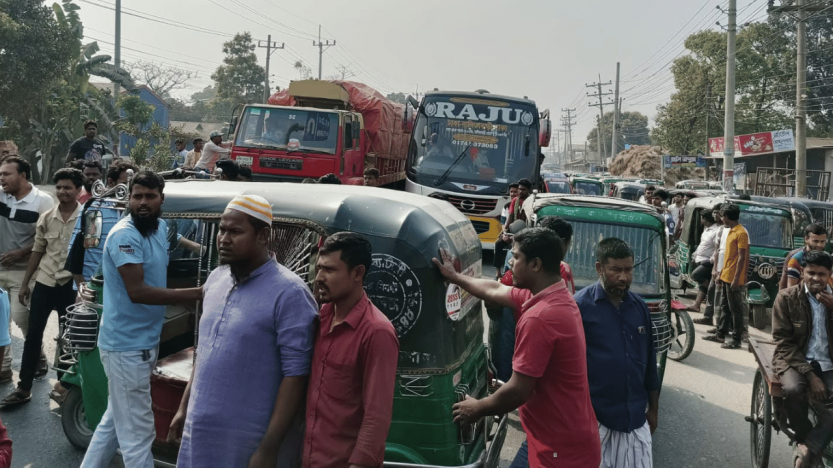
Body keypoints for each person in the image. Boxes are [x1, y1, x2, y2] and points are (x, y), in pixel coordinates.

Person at [170, 195, 317, 468]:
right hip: (199, 435)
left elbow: (296, 376)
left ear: (263, 236)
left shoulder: (291, 293)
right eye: (222, 230)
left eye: (235, 232)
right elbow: (204, 354)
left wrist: (269, 447)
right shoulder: (215, 279)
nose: (224, 239)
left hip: (249, 446)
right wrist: (183, 409)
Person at [436, 228, 601, 468]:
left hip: (560, 451)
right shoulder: (554, 295)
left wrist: (477, 408)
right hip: (556, 437)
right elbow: (495, 290)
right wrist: (455, 277)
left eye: (516, 256)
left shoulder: (541, 317)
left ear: (535, 264)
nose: (510, 262)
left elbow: (519, 390)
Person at [80, 171, 203, 468]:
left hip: (144, 342)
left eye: (150, 196)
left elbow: (175, 257)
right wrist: (200, 293)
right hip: (125, 347)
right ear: (130, 200)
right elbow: (137, 291)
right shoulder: (125, 235)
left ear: (162, 199)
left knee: (114, 420)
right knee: (138, 433)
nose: (143, 202)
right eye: (137, 197)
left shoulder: (159, 228)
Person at [303, 232, 399, 468]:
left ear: (358, 273)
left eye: (330, 270)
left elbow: (376, 416)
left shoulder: (376, 332)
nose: (319, 278)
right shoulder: (321, 317)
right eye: (319, 268)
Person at [573, 238, 659, 468]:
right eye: (616, 270)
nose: (624, 277)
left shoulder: (639, 307)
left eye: (629, 270)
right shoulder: (580, 307)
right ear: (599, 268)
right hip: (594, 420)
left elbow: (650, 362)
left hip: (635, 420)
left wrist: (654, 410)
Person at [1, 168, 82, 406]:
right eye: (58, 187)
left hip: (71, 285)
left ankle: (65, 386)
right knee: (33, 336)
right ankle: (23, 388)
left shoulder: (88, 217)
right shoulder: (47, 217)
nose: (62, 192)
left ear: (78, 190)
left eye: (67, 187)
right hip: (45, 282)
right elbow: (38, 250)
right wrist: (26, 283)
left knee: (70, 338)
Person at [772, 250, 833, 468]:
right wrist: (810, 375)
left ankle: (808, 447)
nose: (816, 278)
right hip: (793, 359)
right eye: (811, 273)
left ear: (829, 275)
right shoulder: (787, 297)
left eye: (822, 274)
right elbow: (783, 342)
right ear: (803, 272)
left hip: (828, 363)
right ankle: (805, 441)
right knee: (794, 390)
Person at [0, 156, 54, 382]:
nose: (1, 178)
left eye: (6, 174)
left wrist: (21, 252)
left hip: (25, 271)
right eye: (0, 174)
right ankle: (3, 366)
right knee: (2, 321)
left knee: (22, 318)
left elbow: (48, 236)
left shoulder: (43, 201)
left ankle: (38, 353)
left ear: (22, 176)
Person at [703, 203, 749, 349]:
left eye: (722, 216)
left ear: (728, 217)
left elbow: (742, 258)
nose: (721, 219)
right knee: (725, 306)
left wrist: (737, 279)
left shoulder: (741, 233)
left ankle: (736, 339)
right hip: (726, 274)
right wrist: (721, 271)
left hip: (733, 277)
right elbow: (728, 256)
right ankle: (720, 334)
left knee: (736, 309)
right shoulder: (730, 231)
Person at [694, 203, 727, 327]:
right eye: (713, 212)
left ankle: (722, 326)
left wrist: (711, 262)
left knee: (722, 297)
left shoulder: (726, 229)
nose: (715, 215)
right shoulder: (717, 228)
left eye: (717, 213)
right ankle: (708, 318)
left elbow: (719, 250)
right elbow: (717, 249)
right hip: (715, 266)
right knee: (712, 291)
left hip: (723, 266)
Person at [687, 210, 719, 312]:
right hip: (700, 259)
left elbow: (717, 248)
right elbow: (703, 244)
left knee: (695, 275)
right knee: (702, 285)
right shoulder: (706, 229)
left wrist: (711, 260)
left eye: (701, 217)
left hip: (708, 262)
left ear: (705, 218)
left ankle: (712, 291)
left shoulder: (716, 231)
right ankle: (697, 305)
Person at [782, 224, 830, 290]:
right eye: (815, 241)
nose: (819, 245)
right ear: (806, 239)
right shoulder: (796, 259)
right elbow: (791, 289)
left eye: (822, 241)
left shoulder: (827, 258)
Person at [493, 183, 521, 279]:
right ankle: (498, 272)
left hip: (519, 234)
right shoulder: (506, 206)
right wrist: (505, 234)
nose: (513, 194)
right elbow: (504, 223)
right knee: (498, 243)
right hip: (508, 232)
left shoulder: (523, 204)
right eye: (511, 192)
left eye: (515, 192)